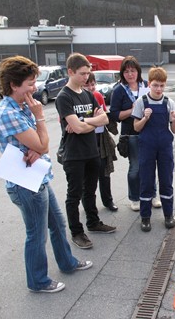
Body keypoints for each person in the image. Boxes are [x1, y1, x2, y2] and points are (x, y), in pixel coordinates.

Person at [0, 56, 93, 293]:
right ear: (14, 85)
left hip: (37, 177)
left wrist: (36, 146)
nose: (34, 87)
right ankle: (38, 281)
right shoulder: (9, 112)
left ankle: (67, 262)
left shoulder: (20, 106)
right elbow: (43, 145)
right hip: (25, 183)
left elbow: (39, 145)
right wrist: (39, 118)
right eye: (29, 83)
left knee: (57, 224)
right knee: (36, 235)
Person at [55, 53, 116, 250]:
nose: (86, 78)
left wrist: (83, 121)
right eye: (82, 74)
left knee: (90, 191)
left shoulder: (88, 94)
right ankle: (77, 232)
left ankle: (93, 222)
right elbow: (79, 128)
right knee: (74, 195)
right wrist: (88, 122)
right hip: (74, 155)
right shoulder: (64, 97)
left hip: (92, 151)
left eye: (88, 73)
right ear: (70, 72)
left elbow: (104, 120)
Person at [110, 56, 161, 211]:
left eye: (133, 71)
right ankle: (134, 197)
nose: (130, 74)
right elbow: (115, 115)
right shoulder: (118, 90)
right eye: (126, 71)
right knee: (136, 167)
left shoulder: (146, 85)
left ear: (138, 71)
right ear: (122, 74)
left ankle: (152, 194)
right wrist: (132, 110)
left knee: (150, 165)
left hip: (149, 132)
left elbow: (157, 101)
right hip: (131, 134)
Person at [132, 67, 175, 231]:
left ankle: (168, 215)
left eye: (162, 86)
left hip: (165, 146)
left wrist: (173, 120)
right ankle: (145, 217)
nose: (159, 89)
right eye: (155, 85)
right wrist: (145, 117)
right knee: (146, 180)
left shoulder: (169, 102)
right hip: (147, 146)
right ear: (149, 84)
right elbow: (136, 128)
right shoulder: (141, 102)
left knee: (167, 180)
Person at [83, 72, 118, 212]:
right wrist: (94, 120)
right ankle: (88, 204)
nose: (91, 87)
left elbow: (104, 117)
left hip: (100, 138)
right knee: (87, 176)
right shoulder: (76, 98)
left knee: (104, 172)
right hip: (84, 140)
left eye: (93, 84)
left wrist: (92, 120)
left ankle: (108, 201)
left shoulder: (97, 96)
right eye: (88, 85)